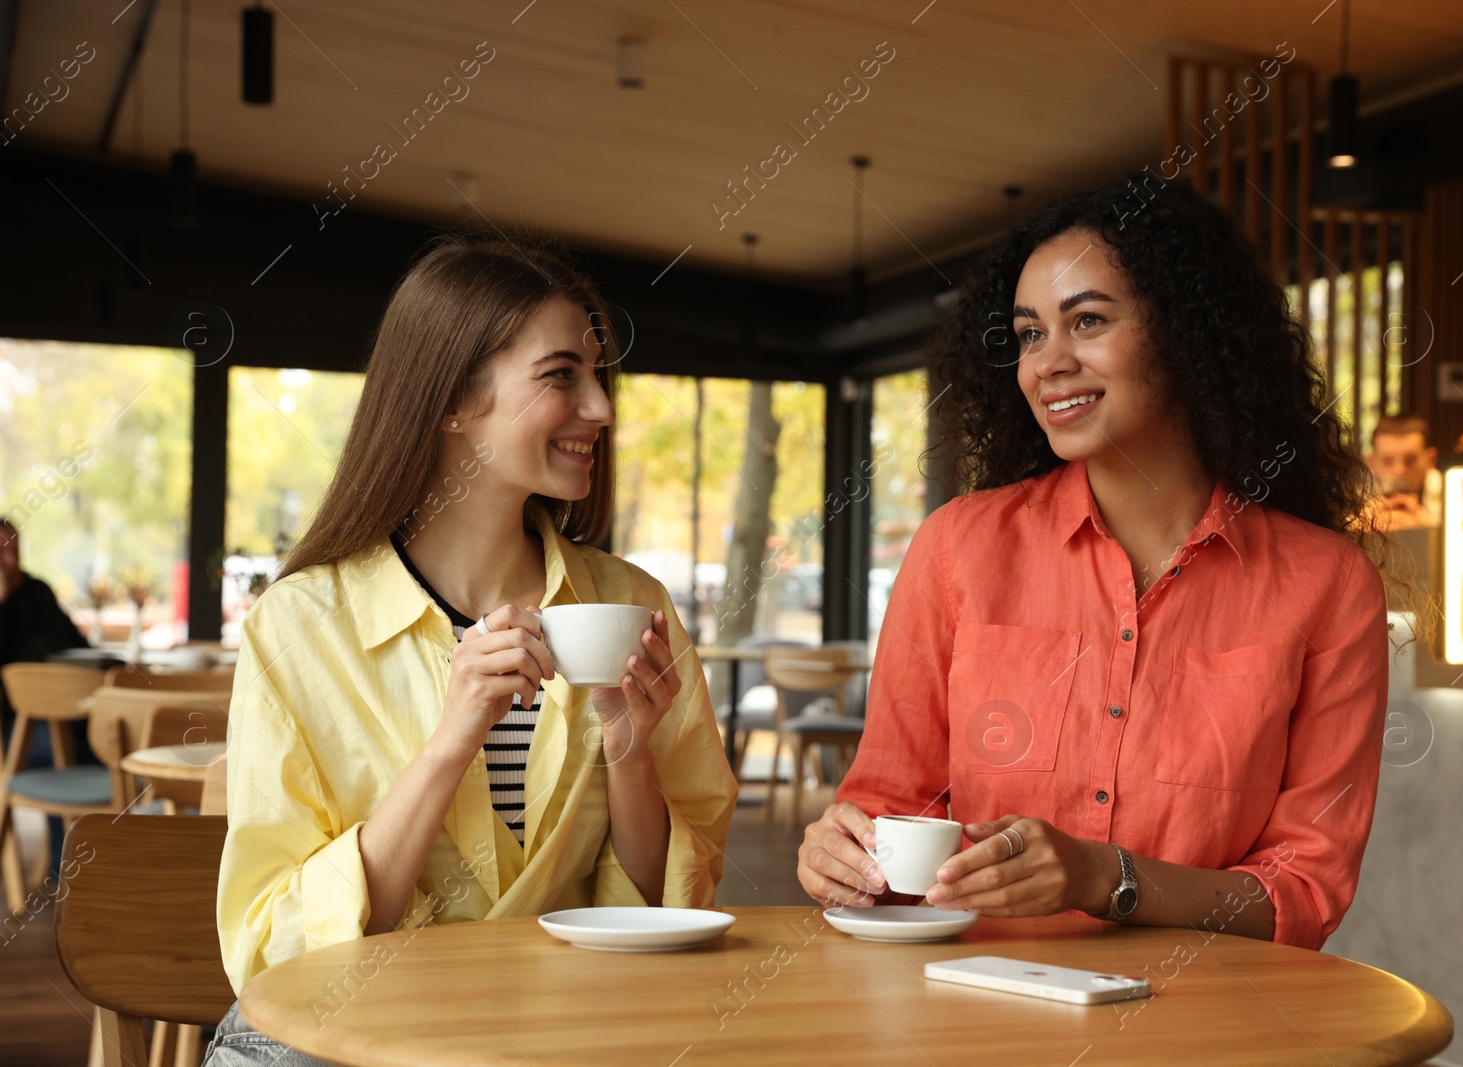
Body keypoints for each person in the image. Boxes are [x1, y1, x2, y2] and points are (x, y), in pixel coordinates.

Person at [797, 174, 1392, 952]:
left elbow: (1303, 892)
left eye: (1087, 320)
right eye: (1030, 334)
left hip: (1208, 1022)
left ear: (1183, 331)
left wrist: (1104, 877)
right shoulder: (957, 548)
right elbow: (890, 807)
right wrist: (842, 857)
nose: (1048, 362)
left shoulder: (1329, 584)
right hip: (970, 1009)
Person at [203, 236, 737, 1066]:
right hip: (341, 1038)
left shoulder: (632, 607)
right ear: (453, 400)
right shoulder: (300, 625)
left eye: (599, 376)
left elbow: (676, 898)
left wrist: (628, 750)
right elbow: (277, 948)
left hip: (558, 1031)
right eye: (562, 375)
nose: (600, 407)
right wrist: (454, 738)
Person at [0, 517, 91, 754]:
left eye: (14, 551)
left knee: (113, 734)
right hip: (21, 718)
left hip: (74, 703)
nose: (10, 560)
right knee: (62, 748)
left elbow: (76, 643)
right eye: (1, 553)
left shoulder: (38, 591)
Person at [1367, 415, 1441, 529]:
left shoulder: (1454, 498)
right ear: (1371, 463)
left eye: (1410, 460)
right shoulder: (1352, 499)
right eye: (1388, 461)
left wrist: (1430, 531)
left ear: (1430, 460)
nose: (1399, 470)